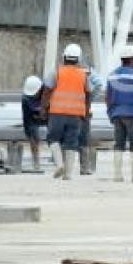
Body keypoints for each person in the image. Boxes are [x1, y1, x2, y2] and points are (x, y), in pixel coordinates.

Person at [40, 43, 92, 180]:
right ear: (79, 58)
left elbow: (47, 91)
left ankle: (59, 165)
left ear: (64, 57)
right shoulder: (84, 75)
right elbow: (88, 94)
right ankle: (68, 174)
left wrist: (43, 109)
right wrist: (86, 112)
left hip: (57, 112)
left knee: (53, 138)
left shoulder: (56, 71)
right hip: (76, 115)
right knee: (71, 142)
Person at [106, 45, 133, 182]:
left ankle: (117, 175)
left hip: (117, 114)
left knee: (118, 144)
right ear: (132, 59)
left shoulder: (112, 75)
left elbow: (108, 96)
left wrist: (110, 113)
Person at [21, 76, 46, 171]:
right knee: (32, 134)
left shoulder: (47, 92)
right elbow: (27, 121)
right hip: (32, 120)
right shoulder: (26, 99)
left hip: (48, 115)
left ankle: (61, 160)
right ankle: (36, 161)